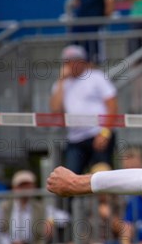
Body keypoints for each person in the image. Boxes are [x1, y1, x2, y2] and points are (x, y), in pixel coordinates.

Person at [49, 45, 118, 174]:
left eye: (74, 60)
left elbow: (112, 106)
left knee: (102, 176)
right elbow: (55, 109)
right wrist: (61, 81)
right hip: (75, 138)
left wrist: (105, 132)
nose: (70, 64)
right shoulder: (61, 84)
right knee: (70, 177)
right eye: (67, 61)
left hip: (97, 133)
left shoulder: (96, 77)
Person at [0, 170, 69, 244]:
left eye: (28, 185)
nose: (25, 188)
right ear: (14, 188)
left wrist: (51, 221)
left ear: (34, 186)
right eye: (21, 185)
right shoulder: (3, 207)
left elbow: (65, 217)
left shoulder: (39, 206)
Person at [70, 0, 114, 64]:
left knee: (94, 49)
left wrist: (106, 16)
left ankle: (94, 66)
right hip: (81, 20)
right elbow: (76, 1)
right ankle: (78, 66)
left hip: (96, 20)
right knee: (76, 46)